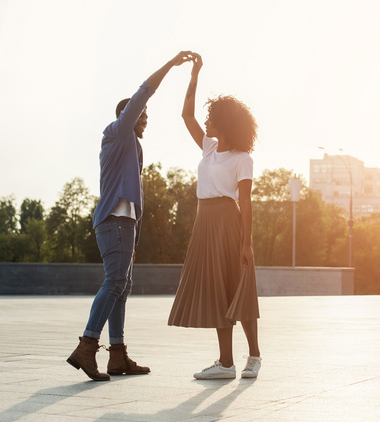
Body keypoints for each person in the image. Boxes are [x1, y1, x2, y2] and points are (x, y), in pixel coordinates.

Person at [67, 52, 195, 381]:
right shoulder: (117, 132)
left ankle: (118, 356)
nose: (146, 118)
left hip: (124, 225)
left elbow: (133, 198)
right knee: (114, 283)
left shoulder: (132, 146)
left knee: (122, 287)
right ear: (128, 114)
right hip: (113, 221)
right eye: (143, 113)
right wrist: (170, 65)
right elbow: (143, 92)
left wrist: (135, 234)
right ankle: (87, 346)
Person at [167, 53, 261, 379]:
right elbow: (186, 114)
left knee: (238, 287)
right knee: (216, 290)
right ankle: (226, 363)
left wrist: (247, 242)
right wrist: (195, 74)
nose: (206, 122)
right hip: (203, 220)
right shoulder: (209, 148)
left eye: (212, 119)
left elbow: (246, 203)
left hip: (227, 221)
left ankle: (255, 355)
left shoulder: (242, 158)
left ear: (226, 123)